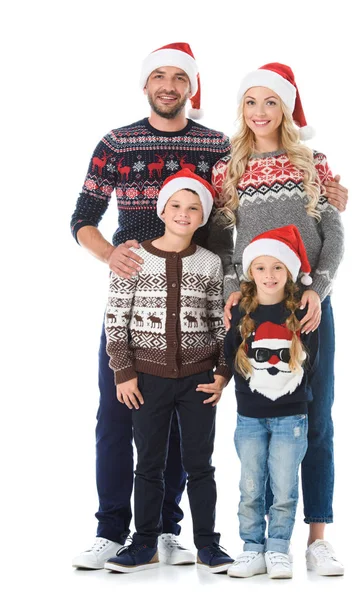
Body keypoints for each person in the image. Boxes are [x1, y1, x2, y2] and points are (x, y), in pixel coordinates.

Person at [71, 42, 231, 569]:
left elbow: (240, 213)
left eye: (178, 78)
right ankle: (111, 527)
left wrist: (324, 190)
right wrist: (111, 255)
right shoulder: (116, 143)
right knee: (119, 412)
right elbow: (83, 218)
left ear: (191, 87)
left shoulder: (216, 146)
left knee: (184, 424)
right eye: (158, 76)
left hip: (194, 302)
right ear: (146, 85)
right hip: (135, 301)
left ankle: (164, 527)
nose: (168, 86)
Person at [209, 63, 345, 575]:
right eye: (251, 102)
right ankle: (261, 541)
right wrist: (229, 293)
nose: (260, 112)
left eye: (270, 102)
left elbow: (333, 233)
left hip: (306, 307)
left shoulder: (311, 162)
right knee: (259, 417)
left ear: (286, 108)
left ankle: (317, 536)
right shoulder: (230, 169)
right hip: (252, 309)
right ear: (241, 110)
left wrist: (320, 288)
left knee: (315, 413)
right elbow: (223, 243)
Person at [102, 169, 234, 574]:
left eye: (193, 208)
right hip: (147, 379)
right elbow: (116, 319)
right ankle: (143, 542)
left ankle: (208, 544)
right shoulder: (133, 257)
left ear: (202, 217)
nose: (183, 213)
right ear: (162, 209)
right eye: (176, 205)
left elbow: (218, 322)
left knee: (200, 463)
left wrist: (223, 372)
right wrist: (123, 372)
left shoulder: (211, 264)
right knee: (149, 463)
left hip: (198, 379)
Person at [225, 225, 319, 579]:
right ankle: (251, 547)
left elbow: (315, 363)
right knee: (250, 485)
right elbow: (231, 357)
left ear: (290, 272)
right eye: (261, 267)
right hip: (250, 416)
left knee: (284, 486)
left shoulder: (302, 314)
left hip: (291, 418)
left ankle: (278, 547)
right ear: (250, 272)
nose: (269, 275)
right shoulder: (239, 314)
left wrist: (296, 397)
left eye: (278, 267)